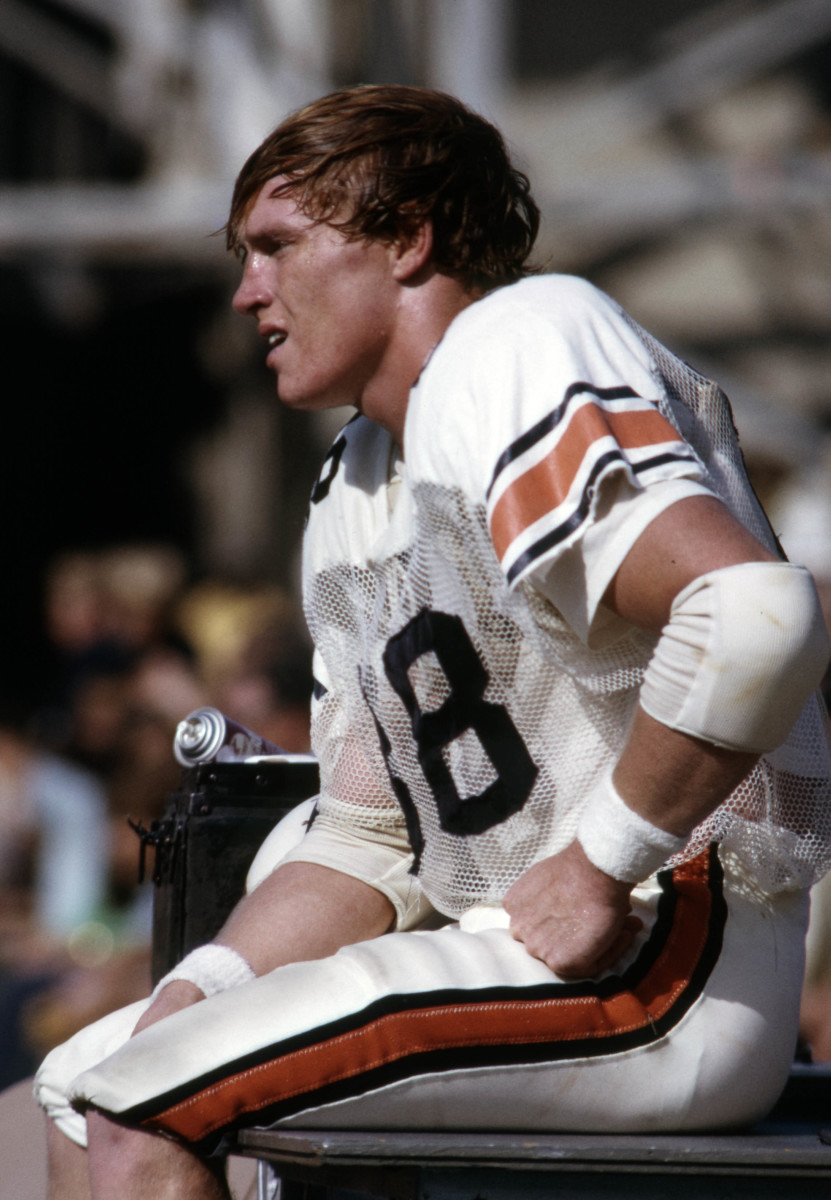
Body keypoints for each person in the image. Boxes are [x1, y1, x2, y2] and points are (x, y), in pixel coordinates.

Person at [35, 84, 831, 1200]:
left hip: (662, 949)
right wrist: (203, 986)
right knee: (86, 1084)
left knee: (141, 1102)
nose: (244, 291)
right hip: (528, 950)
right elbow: (367, 831)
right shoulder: (360, 475)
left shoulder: (516, 338)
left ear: (409, 239)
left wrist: (603, 860)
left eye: (275, 246)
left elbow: (754, 614)